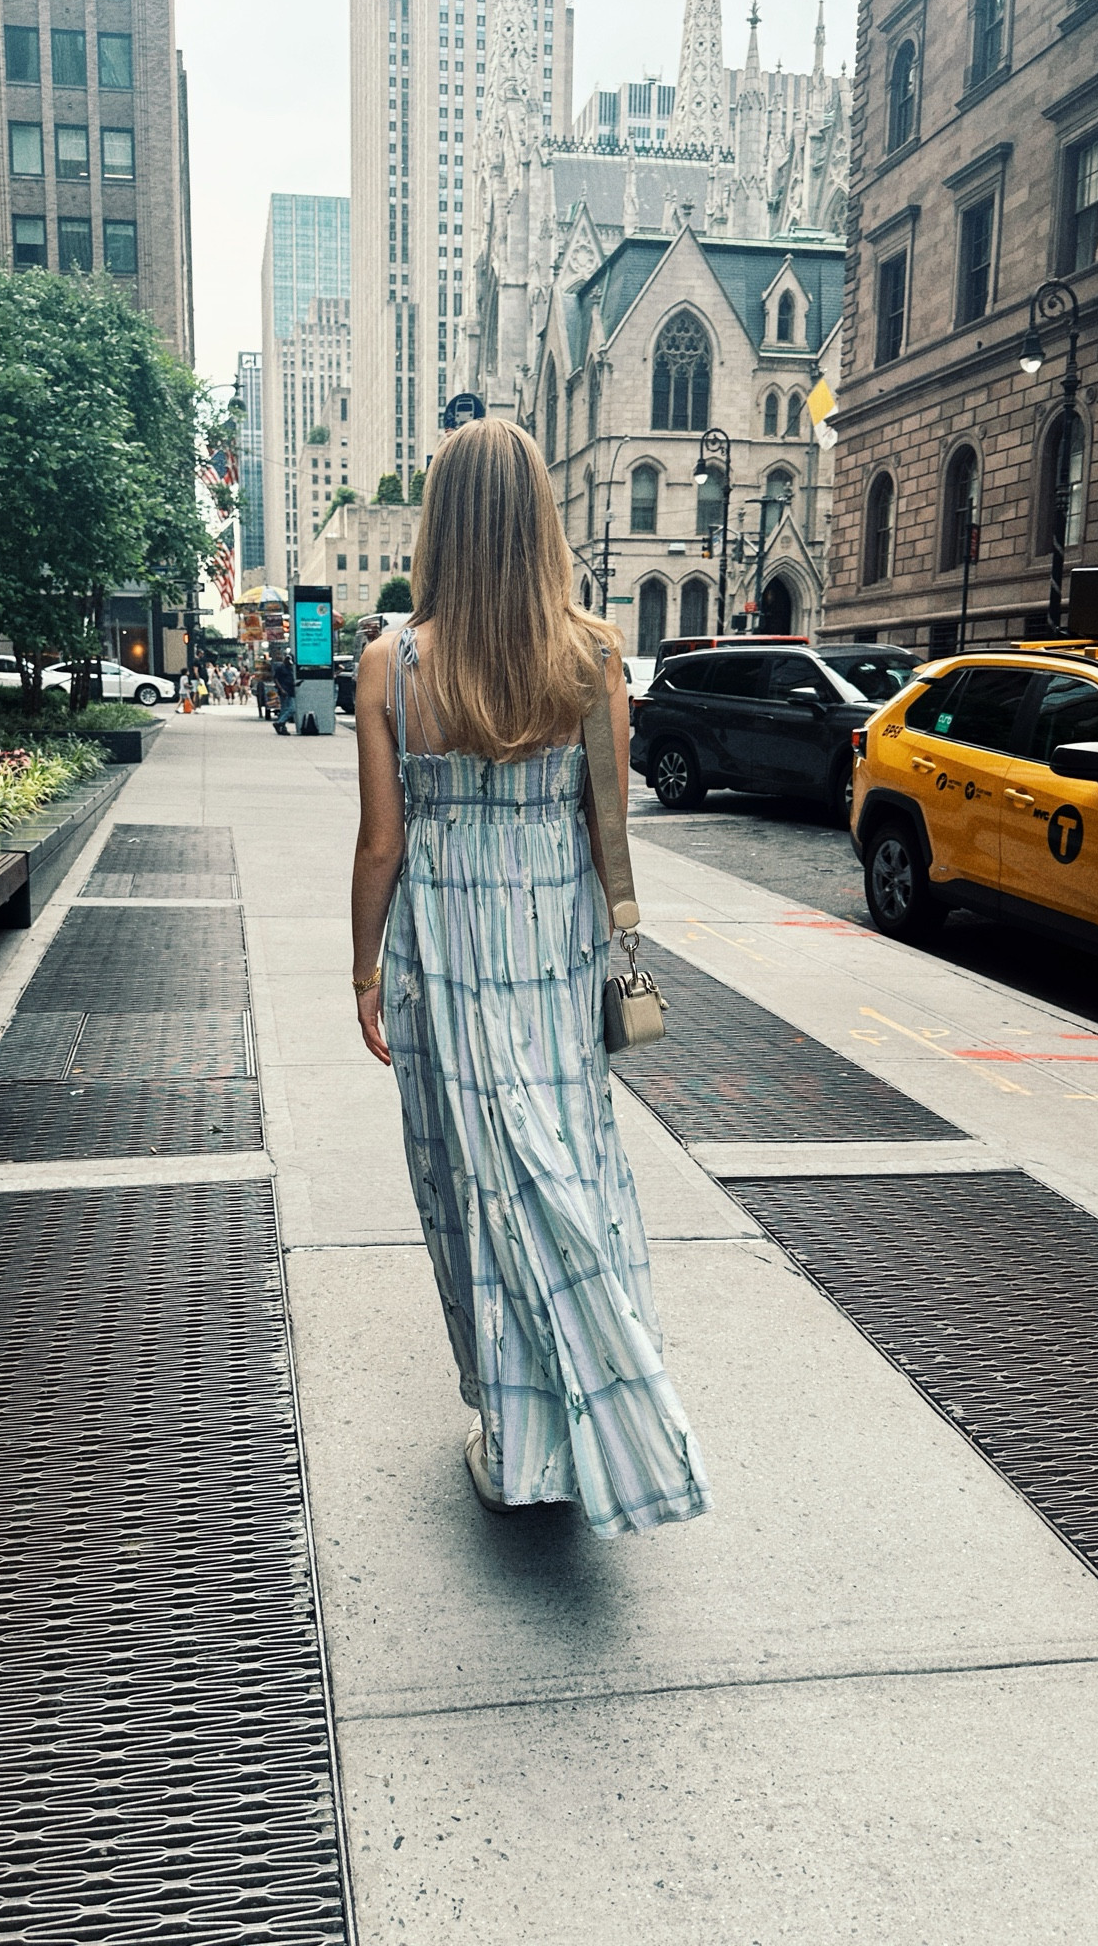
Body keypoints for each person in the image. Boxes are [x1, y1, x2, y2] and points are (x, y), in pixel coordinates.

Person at [350, 419, 711, 1538]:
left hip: (445, 967)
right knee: (568, 1178)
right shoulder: (597, 655)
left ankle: (519, 1437)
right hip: (553, 961)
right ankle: (588, 1406)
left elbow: (380, 843)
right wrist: (621, 934)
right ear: (543, 519)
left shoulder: (392, 664)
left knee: (475, 1191)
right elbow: (610, 821)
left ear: (442, 525)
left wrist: (361, 966)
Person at [272, 654, 297, 735]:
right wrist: (281, 689)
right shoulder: (280, 667)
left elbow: (290, 680)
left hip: (291, 690)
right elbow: (276, 679)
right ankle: (280, 723)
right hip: (284, 692)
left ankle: (282, 727)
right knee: (291, 709)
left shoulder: (290, 669)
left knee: (284, 710)